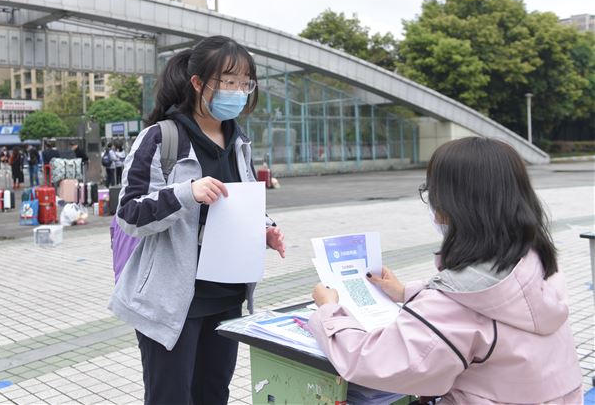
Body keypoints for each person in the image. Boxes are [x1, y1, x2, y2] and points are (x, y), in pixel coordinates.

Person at [309, 137, 582, 404]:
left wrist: (329, 311)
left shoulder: (456, 305)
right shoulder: (538, 265)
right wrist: (407, 292)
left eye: (432, 193)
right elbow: (484, 309)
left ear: (452, 206)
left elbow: (373, 362)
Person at [108, 35, 286, 405]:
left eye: (244, 83)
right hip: (173, 303)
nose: (238, 91)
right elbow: (129, 214)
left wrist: (265, 228)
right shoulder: (160, 139)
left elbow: (241, 201)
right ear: (198, 83)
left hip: (227, 295)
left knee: (213, 394)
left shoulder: (238, 142)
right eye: (228, 81)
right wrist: (186, 193)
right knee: (170, 397)